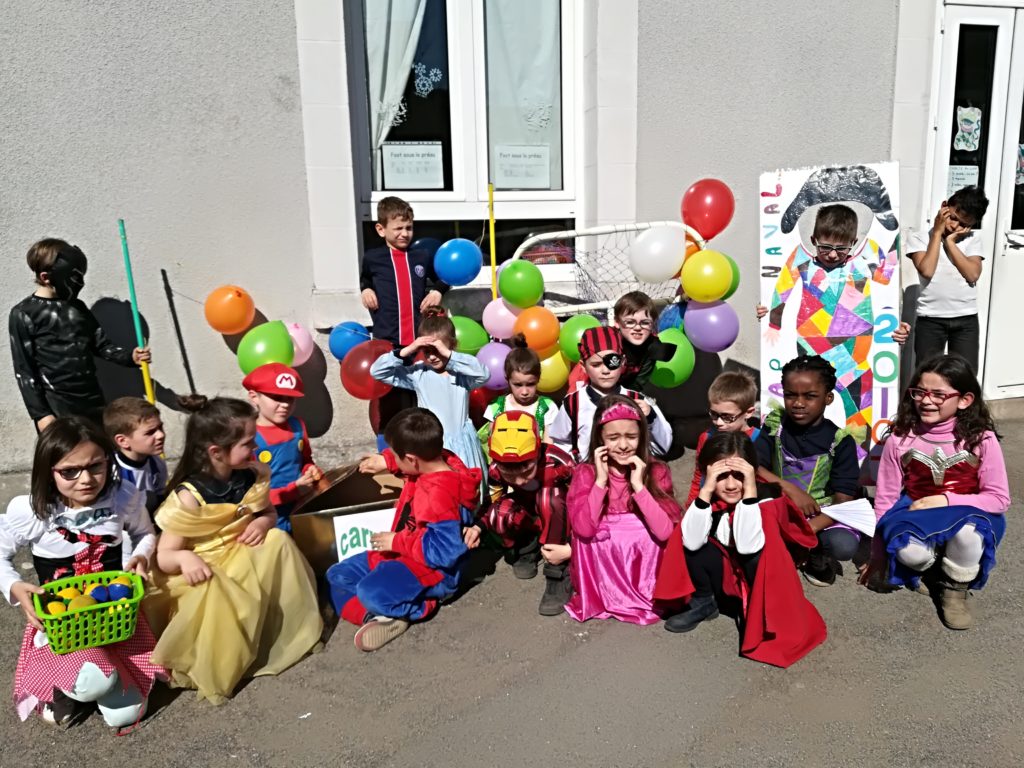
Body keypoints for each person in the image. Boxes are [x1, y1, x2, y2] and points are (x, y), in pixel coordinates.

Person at [145, 396, 322, 704]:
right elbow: (165, 556)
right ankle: (222, 657)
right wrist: (185, 557)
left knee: (278, 541)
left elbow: (267, 512)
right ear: (216, 451)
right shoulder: (189, 496)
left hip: (240, 551)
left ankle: (280, 631)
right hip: (203, 564)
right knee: (215, 587)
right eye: (248, 443)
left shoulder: (250, 475)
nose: (255, 448)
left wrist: (263, 523)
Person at [0, 417, 162, 727]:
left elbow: (144, 532)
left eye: (95, 466)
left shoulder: (122, 496)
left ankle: (103, 677)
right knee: (94, 682)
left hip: (116, 616)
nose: (86, 479)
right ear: (48, 471)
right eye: (69, 471)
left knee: (124, 715)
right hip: (63, 625)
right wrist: (15, 586)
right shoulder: (35, 511)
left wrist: (140, 556)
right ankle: (61, 684)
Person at [863, 355, 1009, 630]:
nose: (926, 401)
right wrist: (878, 555)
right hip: (916, 509)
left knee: (968, 535)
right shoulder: (900, 438)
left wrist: (945, 499)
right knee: (908, 553)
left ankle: (954, 587)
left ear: (964, 400)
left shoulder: (981, 439)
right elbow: (885, 498)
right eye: (919, 392)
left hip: (969, 510)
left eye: (939, 394)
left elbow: (999, 499)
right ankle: (931, 565)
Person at [656, 432, 826, 667]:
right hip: (728, 576)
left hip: (760, 585)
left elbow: (747, 546)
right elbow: (692, 541)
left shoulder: (767, 501)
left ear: (752, 474)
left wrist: (749, 492)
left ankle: (755, 613)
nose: (730, 485)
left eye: (739, 475)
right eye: (720, 476)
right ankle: (705, 601)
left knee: (754, 555)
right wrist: (705, 490)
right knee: (690, 537)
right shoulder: (711, 497)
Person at [326, 408, 481, 651]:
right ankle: (374, 618)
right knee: (336, 574)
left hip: (430, 570)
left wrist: (396, 542)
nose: (394, 463)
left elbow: (444, 552)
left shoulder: (439, 496)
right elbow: (413, 458)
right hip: (399, 552)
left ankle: (423, 605)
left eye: (396, 457)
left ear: (411, 459)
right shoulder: (443, 457)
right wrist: (387, 461)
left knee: (369, 593)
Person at [759, 204, 897, 445]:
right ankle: (806, 450)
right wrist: (773, 322)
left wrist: (896, 238)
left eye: (841, 248)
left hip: (856, 342)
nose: (832, 255)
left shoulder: (865, 257)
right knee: (809, 398)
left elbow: (885, 277)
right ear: (813, 240)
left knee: (858, 398)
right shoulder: (802, 258)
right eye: (825, 247)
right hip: (812, 341)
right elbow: (783, 288)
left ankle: (857, 456)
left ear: (854, 243)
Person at [9, 238, 151, 431]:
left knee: (100, 447)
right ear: (46, 277)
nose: (80, 283)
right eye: (73, 278)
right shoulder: (24, 314)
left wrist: (129, 357)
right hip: (57, 406)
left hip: (92, 400)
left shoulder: (78, 308)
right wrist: (41, 414)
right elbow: (24, 371)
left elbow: (101, 345)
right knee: (72, 450)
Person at [564, 395, 681, 625]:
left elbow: (665, 532)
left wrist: (639, 486)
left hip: (644, 571)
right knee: (587, 534)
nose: (624, 445)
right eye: (613, 438)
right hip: (604, 573)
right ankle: (609, 596)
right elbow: (584, 530)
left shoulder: (655, 471)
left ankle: (643, 594)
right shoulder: (587, 474)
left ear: (642, 436)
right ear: (600, 438)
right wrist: (600, 482)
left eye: (631, 437)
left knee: (649, 529)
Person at [754, 355, 860, 587]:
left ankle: (815, 555)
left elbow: (843, 502)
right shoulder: (775, 425)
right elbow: (753, 466)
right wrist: (790, 489)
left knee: (843, 545)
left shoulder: (840, 441)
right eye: (791, 395)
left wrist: (806, 531)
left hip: (822, 514)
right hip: (779, 505)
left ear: (828, 398)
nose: (798, 403)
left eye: (810, 396)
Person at [370, 307, 490, 500]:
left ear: (451, 346)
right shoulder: (419, 373)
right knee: (439, 494)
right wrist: (408, 350)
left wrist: (449, 355)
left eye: (438, 351)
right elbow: (378, 371)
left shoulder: (462, 374)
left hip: (462, 445)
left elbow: (483, 374)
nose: (432, 357)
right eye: (427, 351)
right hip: (432, 445)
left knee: (469, 494)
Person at [465, 411, 574, 616]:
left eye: (526, 471)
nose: (520, 481)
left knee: (549, 497)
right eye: (510, 475)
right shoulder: (496, 470)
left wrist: (573, 544)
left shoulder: (559, 463)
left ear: (537, 452)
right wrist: (478, 527)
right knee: (500, 512)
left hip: (561, 518)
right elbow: (493, 500)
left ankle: (558, 570)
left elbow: (582, 501)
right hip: (529, 513)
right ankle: (526, 547)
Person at [360, 197, 449, 448]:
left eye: (409, 227)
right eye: (398, 228)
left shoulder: (421, 256)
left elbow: (442, 278)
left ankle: (421, 448)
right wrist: (365, 289)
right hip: (388, 342)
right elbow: (365, 279)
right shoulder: (373, 258)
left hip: (419, 342)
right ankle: (386, 451)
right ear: (381, 229)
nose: (404, 233)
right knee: (388, 400)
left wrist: (438, 291)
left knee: (419, 399)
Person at [549, 326, 673, 461]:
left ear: (623, 362)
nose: (605, 371)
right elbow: (560, 444)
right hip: (588, 472)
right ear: (583, 366)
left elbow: (662, 447)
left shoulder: (638, 400)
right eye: (596, 365)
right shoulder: (573, 403)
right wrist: (573, 467)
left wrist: (651, 419)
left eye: (612, 363)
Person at [906, 186, 990, 371]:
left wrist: (951, 243)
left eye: (963, 224)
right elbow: (926, 270)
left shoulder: (972, 239)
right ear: (944, 206)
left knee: (964, 374)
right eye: (952, 217)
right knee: (927, 373)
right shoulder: (919, 238)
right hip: (931, 319)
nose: (954, 226)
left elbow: (972, 274)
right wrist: (937, 234)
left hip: (966, 319)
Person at [243, 362, 322, 532]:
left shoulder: (298, 426)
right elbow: (247, 495)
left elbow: (305, 460)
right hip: (267, 520)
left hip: (302, 510)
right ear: (254, 396)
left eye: (290, 398)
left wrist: (310, 470)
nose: (285, 405)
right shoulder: (247, 438)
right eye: (277, 397)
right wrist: (294, 491)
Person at [685, 371, 761, 507]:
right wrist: (691, 507)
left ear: (748, 413)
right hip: (711, 506)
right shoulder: (706, 437)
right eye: (714, 414)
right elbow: (699, 476)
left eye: (727, 417)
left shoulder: (760, 441)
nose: (719, 422)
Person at [479, 333, 557, 445]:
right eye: (518, 385)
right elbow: (493, 441)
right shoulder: (496, 406)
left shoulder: (547, 407)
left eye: (530, 384)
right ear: (507, 379)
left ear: (538, 378)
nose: (524, 392)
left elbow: (549, 444)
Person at [103, 397, 168, 517]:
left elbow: (161, 499)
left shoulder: (157, 463)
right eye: (150, 432)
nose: (161, 435)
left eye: (160, 427)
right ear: (123, 441)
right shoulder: (110, 474)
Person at [612, 291, 677, 390]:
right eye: (630, 322)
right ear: (617, 322)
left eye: (645, 323)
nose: (637, 328)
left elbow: (637, 384)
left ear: (653, 323)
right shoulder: (606, 342)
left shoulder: (652, 346)